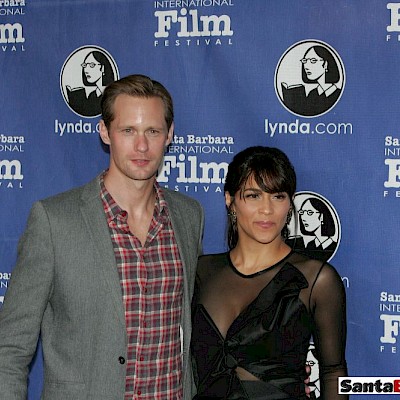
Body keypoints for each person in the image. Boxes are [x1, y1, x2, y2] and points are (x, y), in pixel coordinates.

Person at [0, 74, 204, 399]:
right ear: (105, 132)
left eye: (152, 131)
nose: (141, 146)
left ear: (169, 135)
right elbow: (9, 347)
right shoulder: (54, 220)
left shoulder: (188, 216)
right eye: (128, 131)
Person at [191, 146, 347, 399]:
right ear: (230, 200)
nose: (267, 209)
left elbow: (333, 371)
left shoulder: (316, 280)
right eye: (253, 196)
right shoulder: (202, 271)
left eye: (278, 196)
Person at [281, 45, 342, 116]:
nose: (306, 66)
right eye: (305, 61)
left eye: (313, 61)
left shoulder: (337, 94)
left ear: (325, 64)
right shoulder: (312, 93)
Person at [67, 50, 116, 117]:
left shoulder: (112, 95)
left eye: (91, 65)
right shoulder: (92, 95)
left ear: (102, 68)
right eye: (85, 65)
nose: (86, 70)